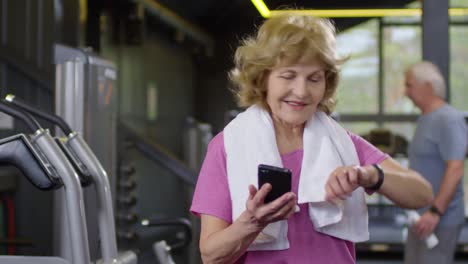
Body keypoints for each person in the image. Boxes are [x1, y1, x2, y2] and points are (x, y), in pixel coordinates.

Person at [191, 13, 433, 264]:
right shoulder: (227, 147)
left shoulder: (344, 146)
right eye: (288, 76)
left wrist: (370, 175)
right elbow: (211, 255)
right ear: (263, 78)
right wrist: (252, 223)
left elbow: (422, 193)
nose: (301, 91)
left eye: (314, 78)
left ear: (326, 84)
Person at [404, 61, 468, 264]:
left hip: (439, 218)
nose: (406, 92)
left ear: (428, 86)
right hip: (419, 216)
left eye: (409, 85)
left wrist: (435, 212)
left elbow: (456, 169)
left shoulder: (449, 120)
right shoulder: (425, 119)